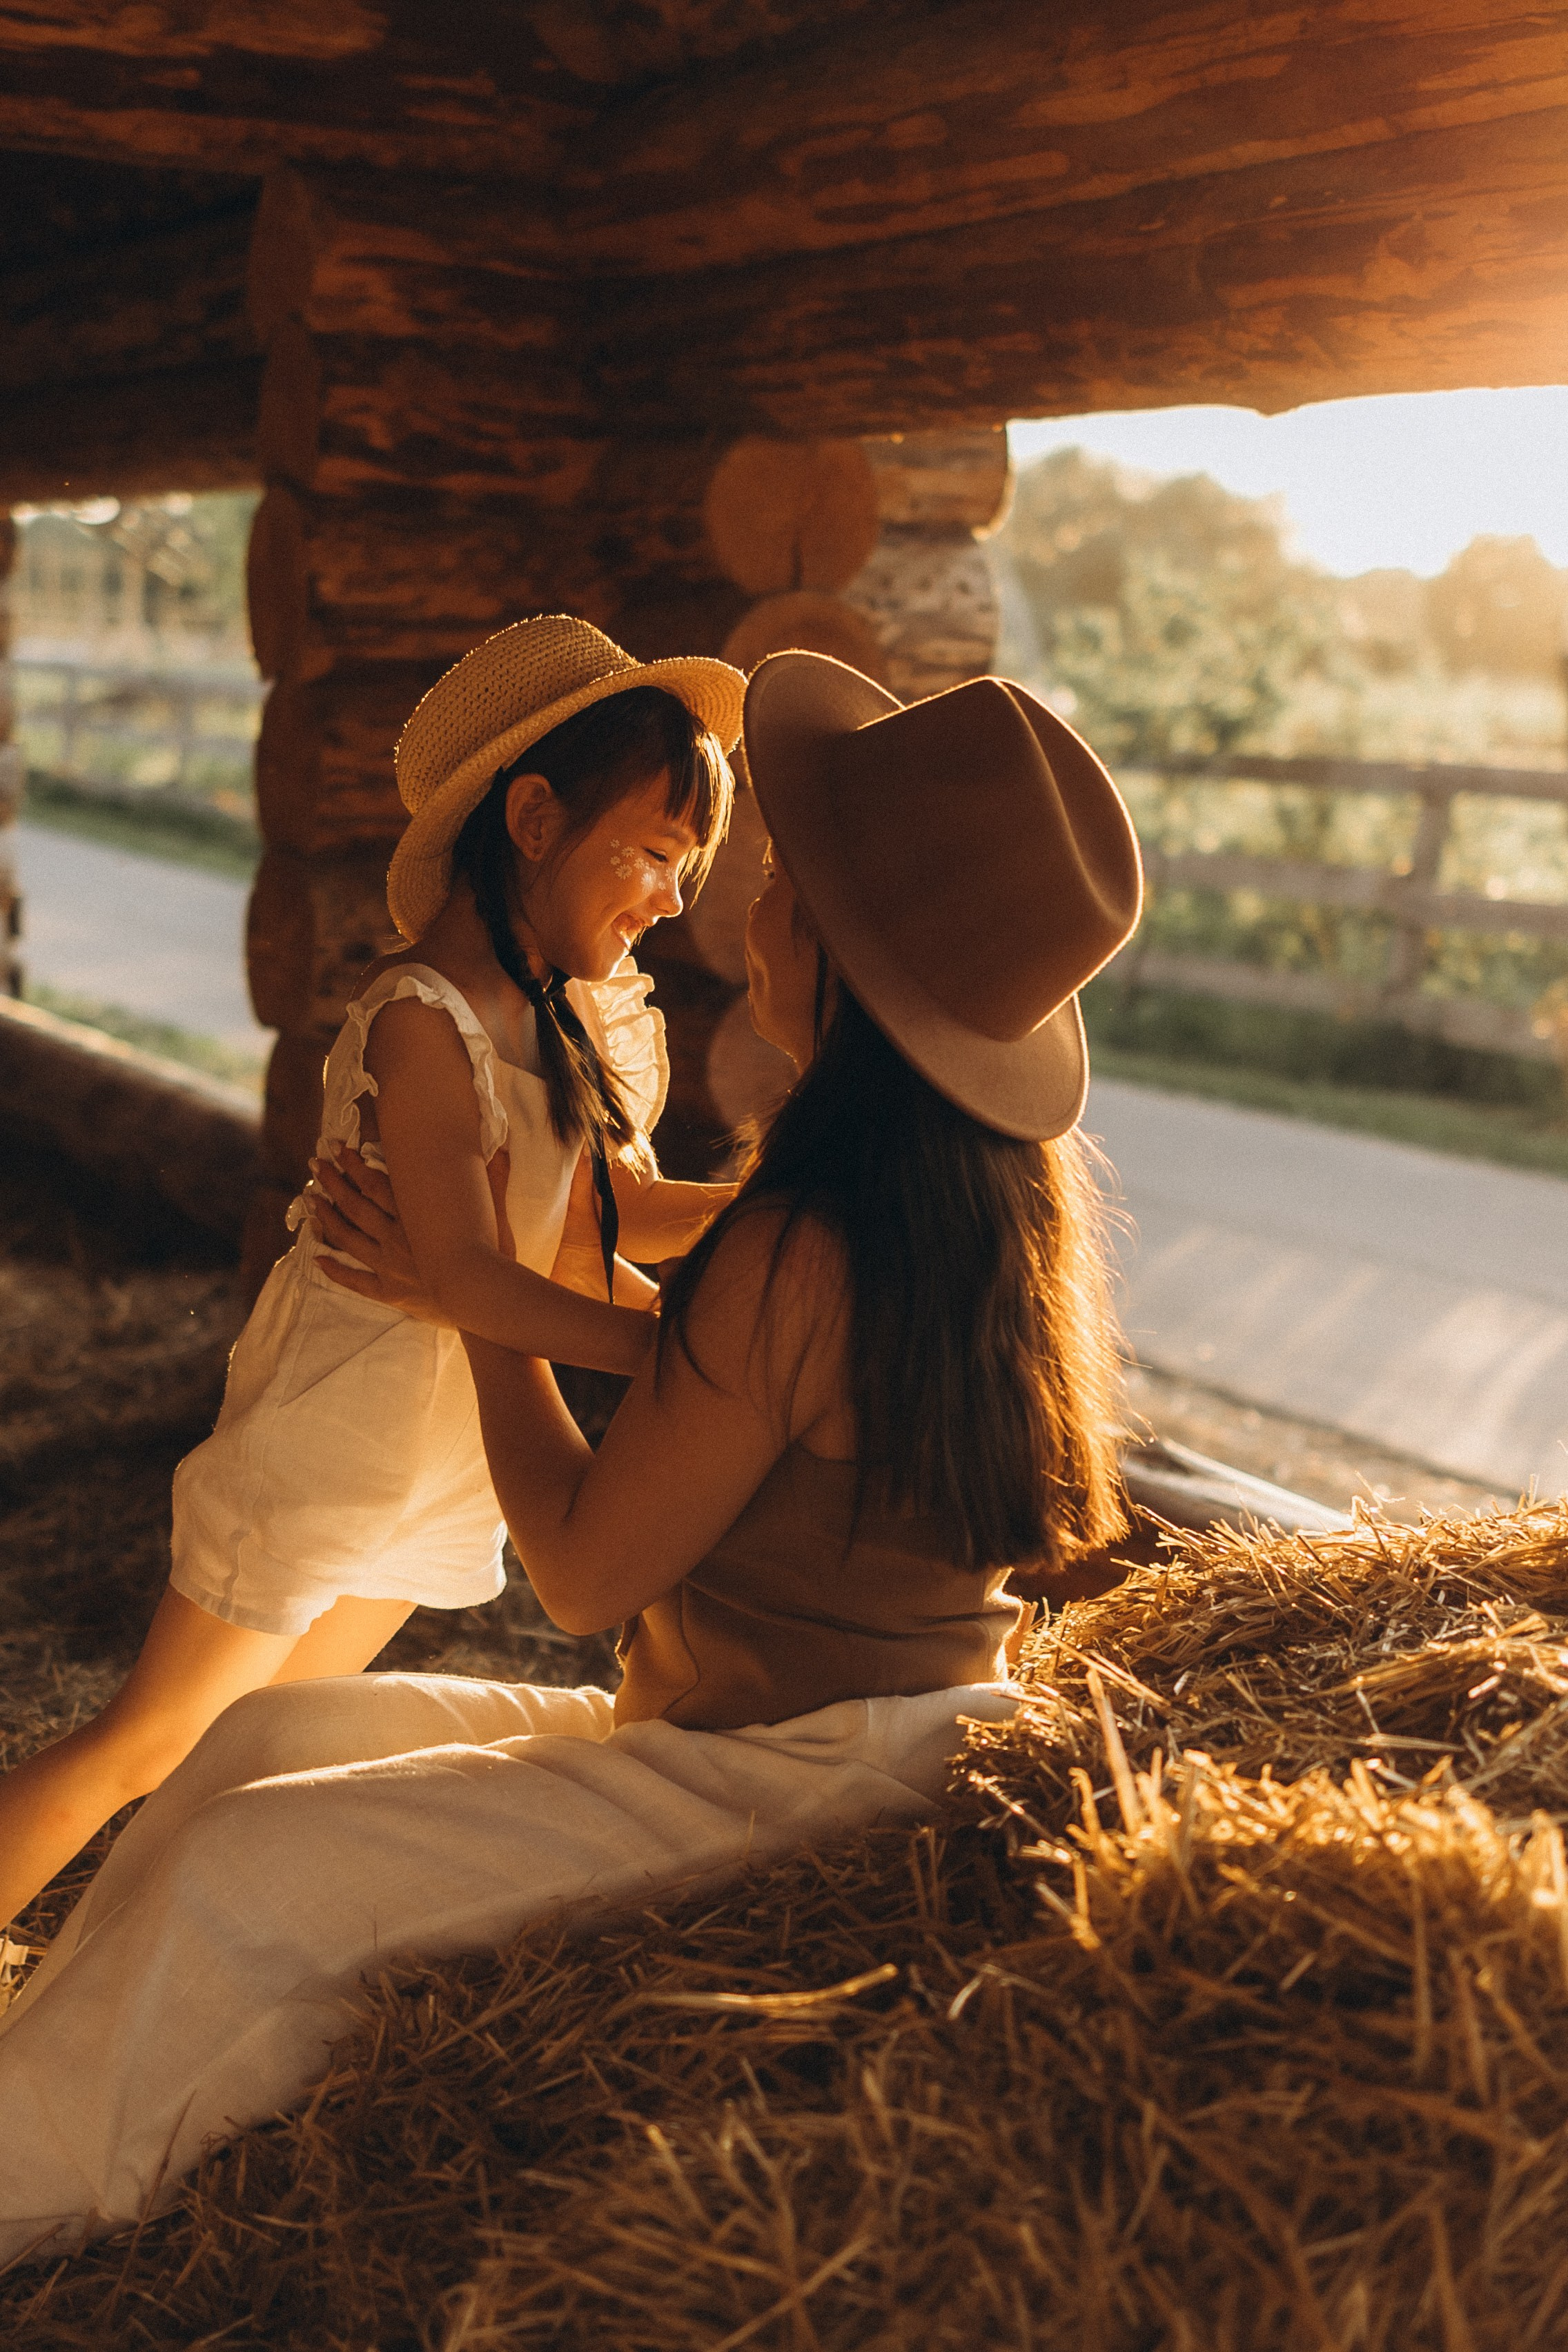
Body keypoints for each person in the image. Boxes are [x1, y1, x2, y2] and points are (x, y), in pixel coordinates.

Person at [0, 649, 1143, 2268]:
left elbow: (585, 1567)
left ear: (826, 944)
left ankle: (27, 2179)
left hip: (783, 1783)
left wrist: (468, 1306)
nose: (730, 910)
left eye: (772, 881)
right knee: (261, 1751)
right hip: (792, 1727)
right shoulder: (960, 1213)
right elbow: (706, 1366)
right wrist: (508, 1286)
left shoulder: (810, 1243)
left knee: (239, 1873)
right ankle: (55, 2090)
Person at [0, 616, 743, 1934]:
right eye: (652, 853)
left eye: (686, 867)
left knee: (252, 1762)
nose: (672, 901)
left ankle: (125, 1979)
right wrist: (686, 1364)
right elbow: (474, 1275)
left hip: (439, 1459)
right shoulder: (423, 1021)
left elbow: (614, 1214)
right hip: (334, 1440)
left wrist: (774, 1215)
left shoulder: (555, 1015)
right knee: (149, 1741)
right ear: (530, 818)